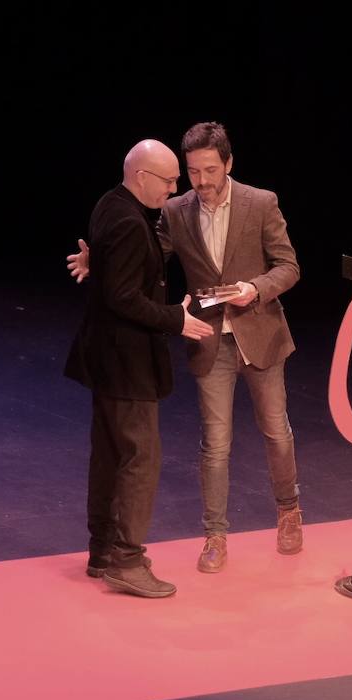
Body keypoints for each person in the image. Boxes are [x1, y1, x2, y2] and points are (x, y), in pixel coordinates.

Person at [70, 122, 303, 573]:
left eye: (210, 169)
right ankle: (215, 535)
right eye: (193, 171)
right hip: (209, 339)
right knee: (215, 444)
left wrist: (254, 289)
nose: (201, 181)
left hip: (260, 335)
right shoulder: (175, 211)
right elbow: (141, 253)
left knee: (276, 431)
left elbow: (289, 266)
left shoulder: (261, 202)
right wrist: (95, 259)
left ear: (229, 164)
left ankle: (289, 510)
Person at [64, 139, 213, 598]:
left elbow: (115, 278)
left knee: (109, 451)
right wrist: (176, 319)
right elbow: (123, 297)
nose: (173, 189)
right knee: (140, 458)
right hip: (127, 361)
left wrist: (101, 266)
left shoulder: (111, 203)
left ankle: (103, 550)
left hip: (104, 357)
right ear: (141, 176)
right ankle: (127, 560)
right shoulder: (130, 221)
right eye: (167, 181)